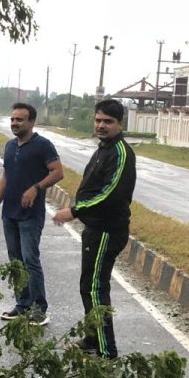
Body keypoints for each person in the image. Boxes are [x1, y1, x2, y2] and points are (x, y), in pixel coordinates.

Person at [52, 99, 136, 359]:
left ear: (119, 123)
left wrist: (74, 211)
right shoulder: (103, 149)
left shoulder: (121, 152)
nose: (101, 125)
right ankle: (92, 338)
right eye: (98, 120)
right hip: (95, 228)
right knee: (88, 285)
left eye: (107, 121)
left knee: (96, 287)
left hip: (107, 230)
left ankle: (106, 349)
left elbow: (110, 193)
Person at [0, 103, 63, 325]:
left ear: (31, 122)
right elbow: (6, 176)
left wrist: (36, 188)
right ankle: (22, 305)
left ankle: (39, 309)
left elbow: (58, 172)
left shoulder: (43, 145)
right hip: (9, 213)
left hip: (30, 215)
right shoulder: (11, 146)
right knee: (16, 262)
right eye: (12, 119)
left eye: (20, 120)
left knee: (30, 261)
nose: (14, 123)